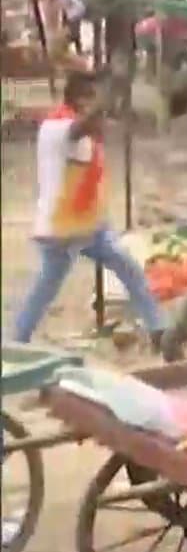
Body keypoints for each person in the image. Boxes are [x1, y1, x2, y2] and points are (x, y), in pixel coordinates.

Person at [10, 72, 169, 347]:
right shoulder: (57, 127)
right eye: (92, 101)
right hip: (62, 229)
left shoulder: (82, 129)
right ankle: (15, 342)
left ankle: (159, 330)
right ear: (79, 101)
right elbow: (82, 127)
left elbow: (107, 130)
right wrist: (107, 95)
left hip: (88, 224)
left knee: (127, 267)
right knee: (45, 289)